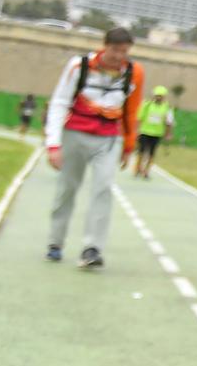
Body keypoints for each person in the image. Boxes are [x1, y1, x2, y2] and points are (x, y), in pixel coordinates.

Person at [44, 27, 144, 270]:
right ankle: (55, 242)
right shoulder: (79, 66)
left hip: (109, 139)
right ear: (104, 45)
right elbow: (59, 102)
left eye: (124, 52)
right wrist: (53, 144)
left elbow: (131, 110)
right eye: (115, 50)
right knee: (67, 189)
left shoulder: (134, 72)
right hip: (75, 134)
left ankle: (92, 248)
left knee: (103, 189)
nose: (119, 56)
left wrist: (129, 144)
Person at [134, 86, 176, 179]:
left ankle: (146, 171)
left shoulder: (167, 107)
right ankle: (137, 169)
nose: (158, 97)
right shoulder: (147, 105)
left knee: (151, 154)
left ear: (164, 97)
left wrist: (168, 134)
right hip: (145, 132)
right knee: (141, 152)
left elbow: (169, 122)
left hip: (157, 134)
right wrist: (137, 130)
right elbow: (139, 117)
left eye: (161, 96)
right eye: (157, 95)